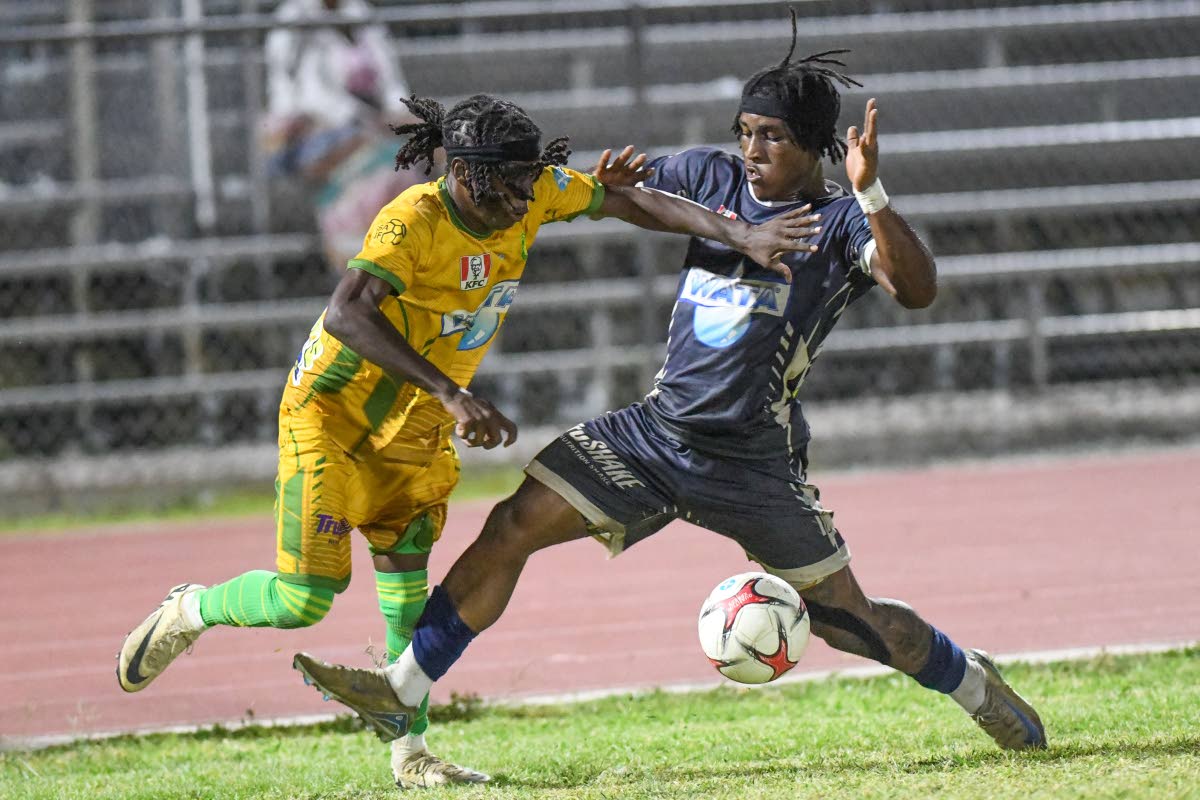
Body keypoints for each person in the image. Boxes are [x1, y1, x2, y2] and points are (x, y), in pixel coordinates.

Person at [290, 32, 1048, 773]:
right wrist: (611, 179)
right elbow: (622, 192)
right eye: (745, 132)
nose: (752, 150)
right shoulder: (710, 178)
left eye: (773, 137)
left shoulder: (843, 221)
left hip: (753, 460)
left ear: (816, 145)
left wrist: (871, 190)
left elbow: (917, 290)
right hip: (654, 435)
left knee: (852, 626)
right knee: (514, 523)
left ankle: (971, 682)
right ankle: (403, 687)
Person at [116, 91, 819, 789]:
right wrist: (452, 392)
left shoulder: (529, 187)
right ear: (466, 175)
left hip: (419, 428)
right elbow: (346, 313)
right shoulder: (413, 221)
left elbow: (629, 203)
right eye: (510, 190)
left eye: (530, 186)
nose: (525, 204)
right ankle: (191, 608)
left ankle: (412, 756)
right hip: (333, 418)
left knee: (406, 597)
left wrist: (741, 235)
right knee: (307, 597)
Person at [261, 0, 424, 272]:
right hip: (316, 127)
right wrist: (354, 122)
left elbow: (389, 83)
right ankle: (356, 260)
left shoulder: (359, 13)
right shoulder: (295, 18)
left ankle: (390, 256)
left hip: (369, 123)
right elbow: (291, 93)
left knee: (414, 151)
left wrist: (400, 115)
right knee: (381, 158)